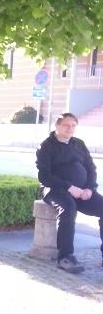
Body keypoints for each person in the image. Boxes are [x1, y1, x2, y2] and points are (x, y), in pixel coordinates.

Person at [36, 112, 103, 273]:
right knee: (68, 208)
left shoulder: (79, 144)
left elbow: (91, 168)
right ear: (57, 126)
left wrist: (89, 188)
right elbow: (45, 176)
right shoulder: (46, 146)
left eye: (73, 125)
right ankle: (65, 257)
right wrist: (69, 187)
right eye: (66, 125)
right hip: (55, 190)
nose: (70, 129)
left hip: (82, 191)